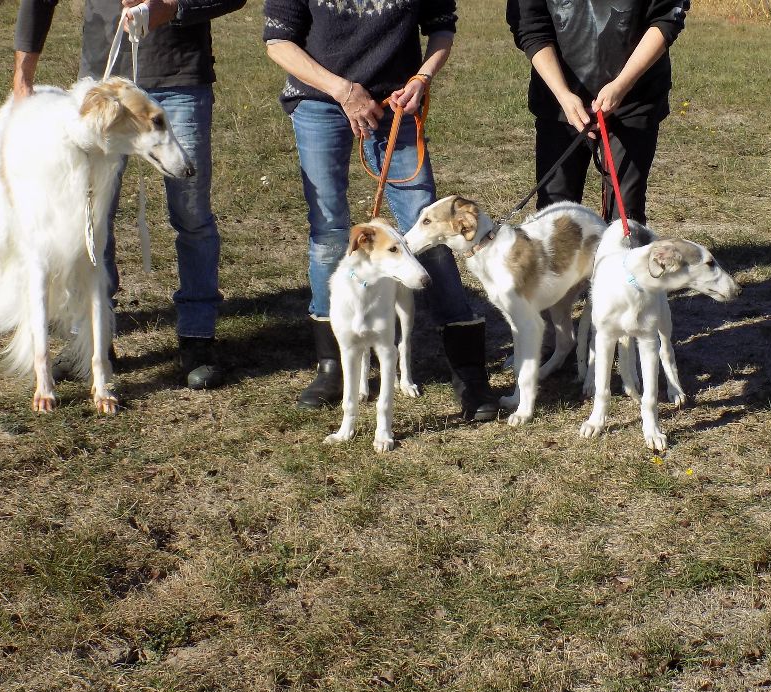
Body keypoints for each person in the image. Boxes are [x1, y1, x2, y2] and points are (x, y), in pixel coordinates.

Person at [262, 0, 500, 421]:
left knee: (428, 233)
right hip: (320, 103)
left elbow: (441, 27)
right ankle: (333, 365)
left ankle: (469, 372)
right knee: (329, 234)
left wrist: (423, 77)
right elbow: (279, 42)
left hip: (396, 107)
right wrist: (343, 90)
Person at [13, 0, 246, 389]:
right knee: (87, 221)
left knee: (191, 215)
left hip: (179, 79)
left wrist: (173, 7)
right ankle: (90, 341)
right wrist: (23, 77)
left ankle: (198, 338)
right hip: (104, 89)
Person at [507, 0, 689, 224]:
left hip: (634, 99)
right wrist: (563, 94)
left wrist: (622, 85)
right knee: (554, 218)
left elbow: (666, 18)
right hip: (559, 102)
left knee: (625, 216)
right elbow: (530, 26)